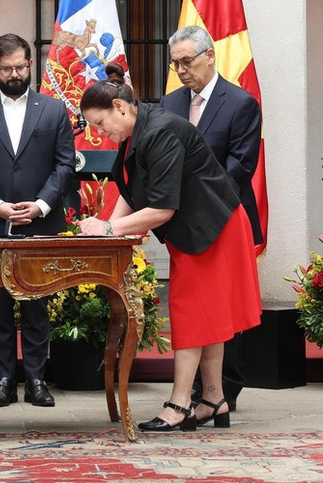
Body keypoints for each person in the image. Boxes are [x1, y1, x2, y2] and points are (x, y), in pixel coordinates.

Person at [78, 63, 262, 432]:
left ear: (119, 107)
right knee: (206, 315)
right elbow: (131, 192)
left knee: (192, 313)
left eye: (99, 123)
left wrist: (108, 227)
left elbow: (162, 208)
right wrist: (104, 231)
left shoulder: (160, 131)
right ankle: (213, 399)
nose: (98, 133)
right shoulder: (135, 131)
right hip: (199, 229)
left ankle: (180, 405)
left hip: (215, 229)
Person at [0, 33, 75, 408]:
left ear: (30, 65)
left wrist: (40, 205)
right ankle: (4, 379)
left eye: (21, 67)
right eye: (7, 68)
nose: (15, 74)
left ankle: (38, 379)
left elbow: (64, 164)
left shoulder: (53, 110)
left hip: (41, 223)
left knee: (37, 304)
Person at [161, 25, 263, 412]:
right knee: (195, 306)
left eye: (187, 61)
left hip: (224, 216)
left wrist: (192, 197)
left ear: (209, 56)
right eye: (176, 64)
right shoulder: (170, 104)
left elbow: (240, 166)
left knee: (224, 304)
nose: (182, 70)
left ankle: (224, 390)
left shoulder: (240, 103)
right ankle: (205, 394)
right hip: (184, 223)